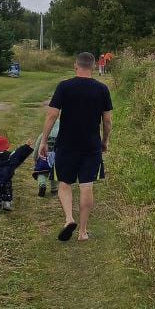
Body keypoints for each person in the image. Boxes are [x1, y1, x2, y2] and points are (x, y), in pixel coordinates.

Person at [40, 51, 112, 242]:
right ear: (94, 66)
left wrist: (44, 140)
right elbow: (107, 121)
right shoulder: (102, 89)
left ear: (75, 65)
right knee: (86, 185)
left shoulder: (64, 87)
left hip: (67, 143)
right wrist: (104, 141)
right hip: (91, 144)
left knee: (64, 183)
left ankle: (69, 219)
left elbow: (52, 115)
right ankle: (83, 232)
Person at [31, 118, 59, 197]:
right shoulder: (61, 137)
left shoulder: (43, 135)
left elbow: (37, 146)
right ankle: (54, 189)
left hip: (44, 157)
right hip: (56, 159)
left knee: (41, 173)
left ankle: (42, 184)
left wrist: (35, 157)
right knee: (55, 173)